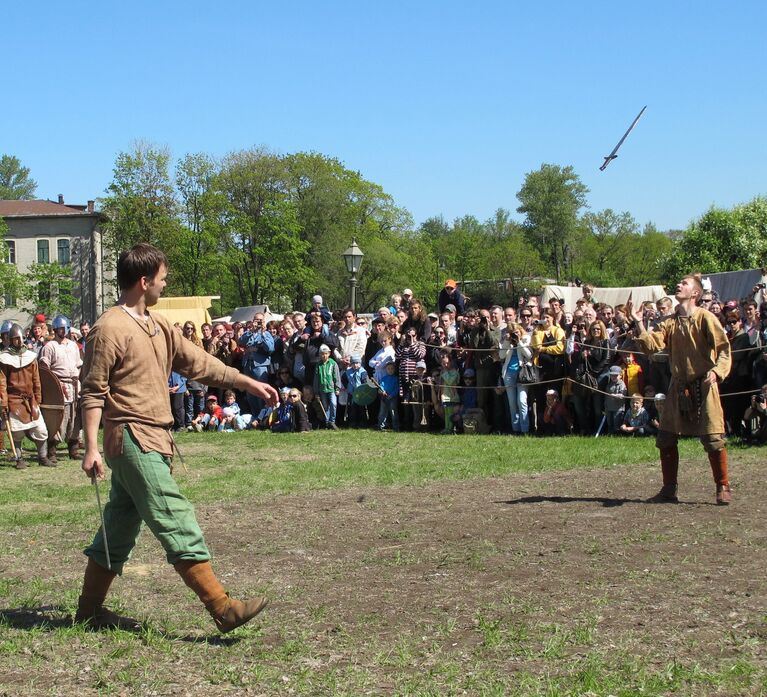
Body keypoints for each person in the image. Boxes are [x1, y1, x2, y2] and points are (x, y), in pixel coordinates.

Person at [76, 243, 279, 632]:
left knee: (118, 528)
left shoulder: (158, 326)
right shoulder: (109, 328)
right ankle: (222, 608)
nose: (164, 285)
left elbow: (199, 363)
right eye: (163, 279)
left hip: (156, 438)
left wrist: (246, 381)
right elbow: (92, 391)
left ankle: (88, 612)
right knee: (174, 515)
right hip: (132, 438)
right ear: (143, 280)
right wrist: (90, 448)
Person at [627, 273, 732, 504]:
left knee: (713, 439)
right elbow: (651, 346)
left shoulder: (706, 318)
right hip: (678, 387)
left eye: (684, 283)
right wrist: (638, 323)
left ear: (695, 293)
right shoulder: (669, 322)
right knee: (665, 438)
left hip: (705, 385)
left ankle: (722, 486)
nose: (678, 285)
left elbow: (724, 350)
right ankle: (669, 489)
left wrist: (717, 372)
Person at [0, 323, 53, 468]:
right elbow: (2, 383)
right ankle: (19, 459)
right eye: (16, 339)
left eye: (21, 338)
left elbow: (36, 380)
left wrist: (38, 398)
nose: (19, 341)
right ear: (10, 340)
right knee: (17, 432)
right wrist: (4, 403)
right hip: (14, 400)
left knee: (41, 430)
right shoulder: (4, 358)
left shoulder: (30, 357)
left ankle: (42, 457)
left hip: (30, 400)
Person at [38, 314, 84, 462]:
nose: (62, 331)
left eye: (64, 329)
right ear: (55, 330)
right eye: (59, 329)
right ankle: (52, 450)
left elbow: (79, 366)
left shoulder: (72, 345)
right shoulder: (50, 346)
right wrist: (56, 385)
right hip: (59, 386)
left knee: (75, 418)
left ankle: (74, 448)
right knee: (58, 418)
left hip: (74, 385)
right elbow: (44, 369)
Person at [313, 344, 341, 429]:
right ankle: (327, 422)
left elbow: (336, 376)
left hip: (331, 388)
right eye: (322, 354)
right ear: (320, 355)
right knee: (325, 406)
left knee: (333, 404)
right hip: (322, 389)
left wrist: (337, 387)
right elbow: (316, 379)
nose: (324, 355)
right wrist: (316, 392)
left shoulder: (333, 363)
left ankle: (332, 421)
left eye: (326, 353)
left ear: (329, 353)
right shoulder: (318, 365)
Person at [377, 362, 400, 431]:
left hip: (393, 398)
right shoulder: (384, 378)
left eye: (392, 369)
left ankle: (395, 427)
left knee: (393, 412)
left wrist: (391, 395)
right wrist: (382, 391)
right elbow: (381, 385)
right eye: (388, 369)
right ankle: (381, 426)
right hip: (384, 397)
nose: (390, 370)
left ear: (394, 369)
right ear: (386, 370)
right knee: (382, 412)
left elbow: (397, 389)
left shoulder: (396, 379)